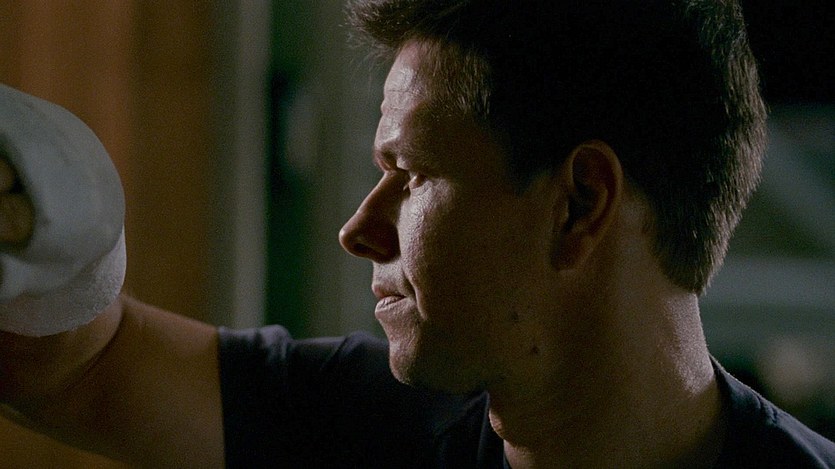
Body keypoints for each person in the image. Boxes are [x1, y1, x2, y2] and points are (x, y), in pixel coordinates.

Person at [0, 0, 833, 467]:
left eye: (412, 174)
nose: (358, 229)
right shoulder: (374, 424)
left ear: (580, 204)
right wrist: (47, 200)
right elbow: (77, 368)